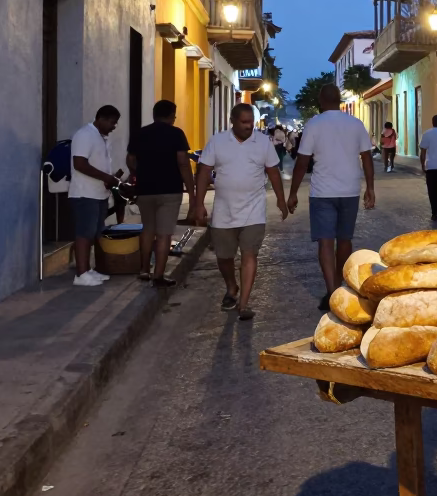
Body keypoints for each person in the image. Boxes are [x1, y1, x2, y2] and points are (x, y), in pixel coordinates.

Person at [194, 103, 288, 321]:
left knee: (249, 254)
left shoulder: (262, 142)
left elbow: (273, 172)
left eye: (251, 122)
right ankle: (231, 286)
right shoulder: (217, 141)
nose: (249, 126)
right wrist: (198, 204)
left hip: (253, 211)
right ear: (232, 121)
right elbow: (204, 171)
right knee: (224, 257)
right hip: (223, 211)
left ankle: (243, 304)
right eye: (244, 122)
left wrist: (281, 201)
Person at [288, 84, 376, 312]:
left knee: (325, 242)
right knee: (344, 240)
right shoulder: (355, 124)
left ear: (320, 100)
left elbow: (302, 162)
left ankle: (332, 290)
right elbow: (367, 157)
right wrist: (370, 188)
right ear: (339, 100)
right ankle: (340, 287)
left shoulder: (314, 124)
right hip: (350, 190)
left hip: (322, 192)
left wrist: (293, 193)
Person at [126, 99, 195, 288]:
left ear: (154, 114)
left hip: (145, 189)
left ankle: (143, 270)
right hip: (170, 190)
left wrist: (139, 172)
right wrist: (191, 190)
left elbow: (130, 160)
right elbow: (183, 163)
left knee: (148, 229)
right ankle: (158, 275)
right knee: (164, 234)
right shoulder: (176, 134)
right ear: (172, 115)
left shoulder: (140, 133)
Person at [69, 105, 122, 286]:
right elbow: (79, 164)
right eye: (112, 122)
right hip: (85, 193)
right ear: (102, 119)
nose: (114, 126)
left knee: (94, 232)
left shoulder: (101, 137)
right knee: (84, 233)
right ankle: (80, 274)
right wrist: (106, 177)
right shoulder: (85, 135)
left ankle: (88, 269)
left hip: (99, 193)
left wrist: (110, 179)